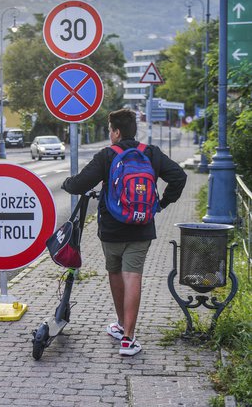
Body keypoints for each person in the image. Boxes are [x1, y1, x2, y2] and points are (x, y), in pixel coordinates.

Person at [61, 108, 186, 356]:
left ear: (116, 132)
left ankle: (120, 324)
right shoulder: (150, 153)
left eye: (110, 130)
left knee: (115, 273)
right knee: (134, 276)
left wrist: (66, 183)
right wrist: (161, 204)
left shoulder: (107, 155)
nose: (110, 135)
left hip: (111, 227)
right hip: (141, 227)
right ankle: (128, 337)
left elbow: (80, 184)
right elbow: (179, 177)